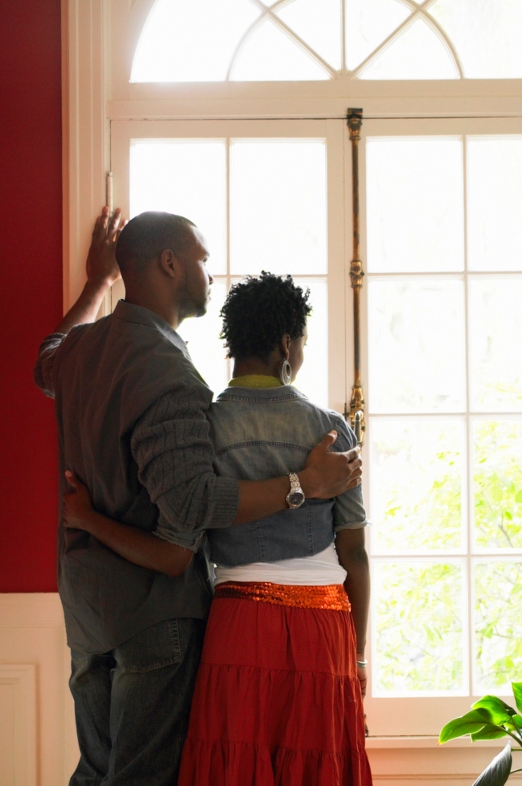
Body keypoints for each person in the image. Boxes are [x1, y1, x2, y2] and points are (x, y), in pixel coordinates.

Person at [33, 210, 362, 786]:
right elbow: (190, 507)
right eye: (204, 261)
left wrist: (97, 284)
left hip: (88, 610)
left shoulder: (82, 351)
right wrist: (303, 486)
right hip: (155, 615)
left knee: (96, 772)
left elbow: (46, 360)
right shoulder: (172, 375)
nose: (210, 274)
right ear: (169, 263)